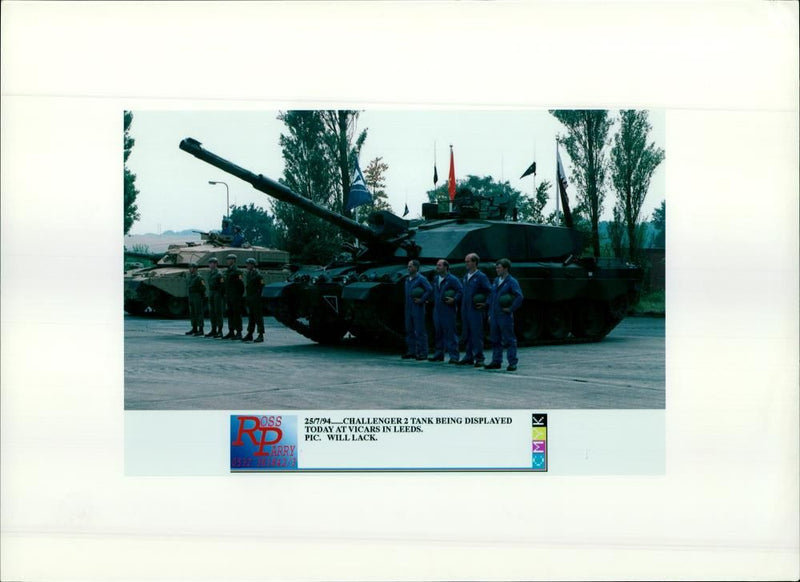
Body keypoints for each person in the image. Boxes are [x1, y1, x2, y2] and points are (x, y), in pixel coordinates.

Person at [485, 258, 524, 371]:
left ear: (505, 268)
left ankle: (512, 362)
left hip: (504, 315)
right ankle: (496, 361)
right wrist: (489, 314)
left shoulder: (511, 281)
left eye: (499, 268)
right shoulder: (496, 281)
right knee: (495, 339)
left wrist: (511, 308)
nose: (497, 270)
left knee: (509, 339)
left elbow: (519, 296)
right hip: (494, 315)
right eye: (496, 267)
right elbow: (492, 298)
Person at [457, 252, 492, 367]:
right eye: (465, 261)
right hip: (465, 309)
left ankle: (479, 358)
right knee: (467, 333)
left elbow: (490, 291)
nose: (466, 263)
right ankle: (468, 356)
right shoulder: (466, 276)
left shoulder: (481, 277)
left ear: (474, 262)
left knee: (476, 334)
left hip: (475, 310)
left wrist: (485, 303)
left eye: (468, 261)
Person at [429, 259, 463, 363]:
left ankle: (454, 356)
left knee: (450, 333)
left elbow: (460, 291)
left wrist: (455, 299)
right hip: (437, 309)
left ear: (445, 267)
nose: (437, 267)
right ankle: (439, 354)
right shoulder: (436, 279)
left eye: (439, 265)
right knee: (438, 332)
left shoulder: (452, 279)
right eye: (437, 265)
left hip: (448, 309)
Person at [402, 259, 432, 360]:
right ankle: (412, 351)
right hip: (408, 307)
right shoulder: (407, 279)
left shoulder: (421, 279)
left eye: (410, 266)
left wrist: (422, 299)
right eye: (408, 266)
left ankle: (423, 353)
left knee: (420, 331)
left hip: (417, 307)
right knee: (409, 330)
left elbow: (429, 289)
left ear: (416, 267)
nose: (408, 268)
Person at [243, 257, 265, 343]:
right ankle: (250, 333)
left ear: (253, 265)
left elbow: (262, 286)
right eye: (247, 264)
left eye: (249, 264)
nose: (247, 266)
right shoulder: (249, 274)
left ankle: (261, 334)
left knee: (258, 317)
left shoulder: (258, 275)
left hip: (256, 299)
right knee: (251, 317)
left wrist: (258, 296)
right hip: (250, 298)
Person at [223, 253, 244, 340]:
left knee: (237, 314)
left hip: (235, 296)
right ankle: (231, 331)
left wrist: (238, 296)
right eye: (227, 259)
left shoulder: (237, 271)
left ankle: (239, 332)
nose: (227, 261)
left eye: (229, 259)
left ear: (233, 260)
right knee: (230, 314)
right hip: (229, 296)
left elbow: (241, 285)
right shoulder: (228, 271)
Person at [205, 257, 225, 338]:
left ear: (216, 264)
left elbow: (223, 286)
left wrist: (220, 294)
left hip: (217, 293)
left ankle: (220, 331)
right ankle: (213, 330)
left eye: (212, 263)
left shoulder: (219, 274)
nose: (210, 264)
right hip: (212, 293)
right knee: (212, 312)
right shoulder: (210, 273)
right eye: (209, 263)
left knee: (218, 312)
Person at [185, 262, 206, 336]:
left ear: (195, 269)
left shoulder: (199, 277)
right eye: (190, 267)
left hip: (197, 296)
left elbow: (203, 288)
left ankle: (201, 329)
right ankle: (194, 328)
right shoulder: (190, 277)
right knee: (192, 312)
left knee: (198, 312)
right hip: (191, 295)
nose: (190, 269)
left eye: (191, 267)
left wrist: (200, 296)